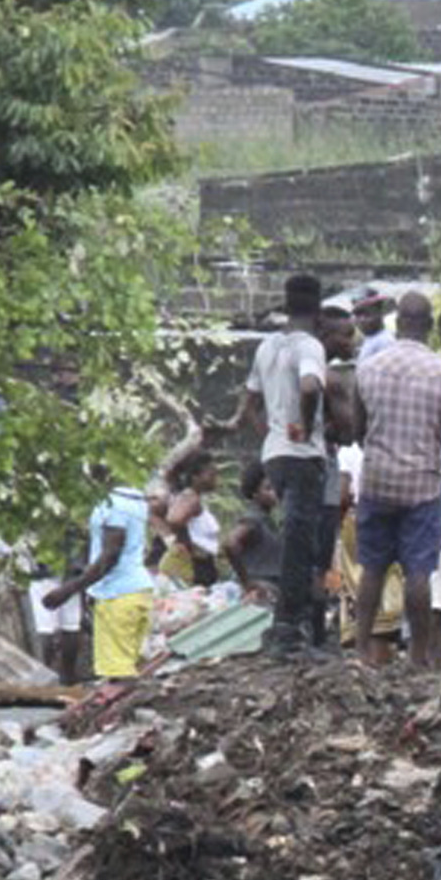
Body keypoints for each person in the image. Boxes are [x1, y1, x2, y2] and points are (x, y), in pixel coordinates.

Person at [347, 291, 441, 671]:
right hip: (421, 483)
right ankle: (418, 655)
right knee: (419, 572)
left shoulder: (367, 369)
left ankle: (361, 650)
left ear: (396, 323)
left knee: (373, 567)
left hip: (377, 481)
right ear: (430, 327)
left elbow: (357, 429)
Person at [240, 273, 333, 657]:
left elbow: (248, 403)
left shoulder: (267, 346)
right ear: (318, 310)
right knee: (302, 546)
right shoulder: (309, 346)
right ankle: (288, 632)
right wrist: (307, 426)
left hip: (275, 456)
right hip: (301, 455)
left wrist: (270, 434)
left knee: (297, 541)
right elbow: (310, 387)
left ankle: (291, 626)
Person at [44, 475, 158, 682]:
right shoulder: (136, 501)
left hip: (118, 596)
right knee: (129, 667)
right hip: (137, 593)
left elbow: (110, 556)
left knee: (118, 675)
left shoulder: (113, 505)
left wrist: (68, 590)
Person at [153, 451, 224, 587]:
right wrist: (185, 544)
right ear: (195, 477)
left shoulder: (192, 498)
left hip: (204, 564)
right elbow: (174, 519)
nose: (216, 479)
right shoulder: (191, 498)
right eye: (211, 475)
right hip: (196, 566)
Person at [226, 463, 283, 602]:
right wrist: (247, 582)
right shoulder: (253, 520)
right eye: (268, 488)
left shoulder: (267, 518)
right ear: (255, 494)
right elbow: (230, 544)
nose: (274, 492)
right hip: (262, 588)